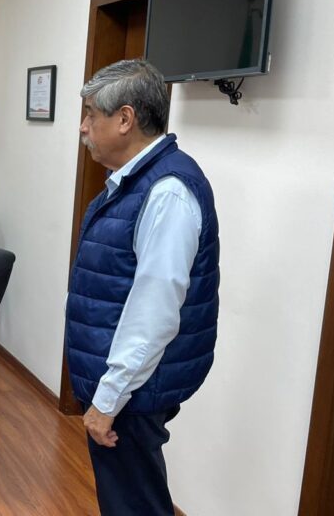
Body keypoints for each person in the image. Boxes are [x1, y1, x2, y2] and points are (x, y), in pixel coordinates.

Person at [65, 59, 219, 515]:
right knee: (131, 497)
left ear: (126, 119)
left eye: (91, 114)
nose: (83, 127)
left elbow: (153, 313)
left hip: (133, 388)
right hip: (130, 382)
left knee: (134, 504)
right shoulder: (138, 181)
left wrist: (108, 399)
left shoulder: (167, 191)